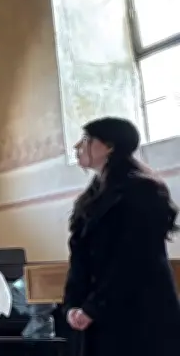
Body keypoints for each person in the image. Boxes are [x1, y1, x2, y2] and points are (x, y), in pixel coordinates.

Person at [63, 117, 180, 356]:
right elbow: (80, 257)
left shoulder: (142, 190)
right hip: (98, 315)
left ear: (109, 146)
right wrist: (73, 305)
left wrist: (94, 307)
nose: (77, 146)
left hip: (139, 313)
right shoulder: (89, 198)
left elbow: (134, 259)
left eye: (86, 139)